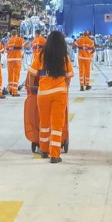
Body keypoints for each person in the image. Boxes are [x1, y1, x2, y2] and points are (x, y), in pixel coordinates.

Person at [27, 30, 73, 162]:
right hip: (60, 93)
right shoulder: (64, 57)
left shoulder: (41, 56)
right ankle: (54, 155)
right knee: (57, 125)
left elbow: (31, 73)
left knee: (44, 123)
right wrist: (64, 87)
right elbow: (69, 76)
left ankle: (44, 150)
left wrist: (31, 87)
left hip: (43, 94)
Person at [5, 30, 25, 96]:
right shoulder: (20, 39)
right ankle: (14, 92)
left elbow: (6, 51)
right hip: (17, 60)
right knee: (16, 75)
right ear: (17, 34)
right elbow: (24, 46)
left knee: (10, 76)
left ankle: (10, 89)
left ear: (11, 34)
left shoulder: (8, 42)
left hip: (10, 61)